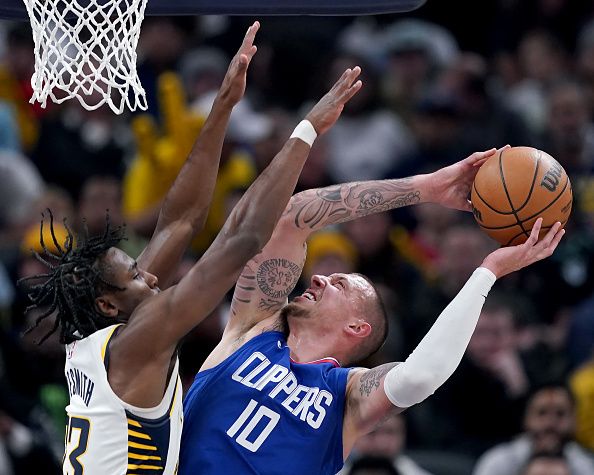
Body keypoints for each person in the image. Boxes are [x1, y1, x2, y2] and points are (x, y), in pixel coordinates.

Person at [19, 20, 364, 474]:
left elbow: (179, 221)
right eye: (136, 276)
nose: (152, 275)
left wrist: (221, 108)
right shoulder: (138, 340)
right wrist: (307, 129)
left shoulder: (101, 336)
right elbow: (244, 240)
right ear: (107, 303)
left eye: (138, 267)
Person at [179, 145, 565, 474]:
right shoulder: (253, 330)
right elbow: (293, 217)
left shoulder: (346, 397)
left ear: (358, 327)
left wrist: (488, 271)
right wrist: (425, 188)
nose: (318, 279)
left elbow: (421, 376)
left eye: (340, 284)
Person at [473, 383, 594, 475]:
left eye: (560, 414)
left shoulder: (586, 467)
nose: (550, 423)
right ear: (526, 418)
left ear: (574, 420)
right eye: (541, 413)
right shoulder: (497, 462)